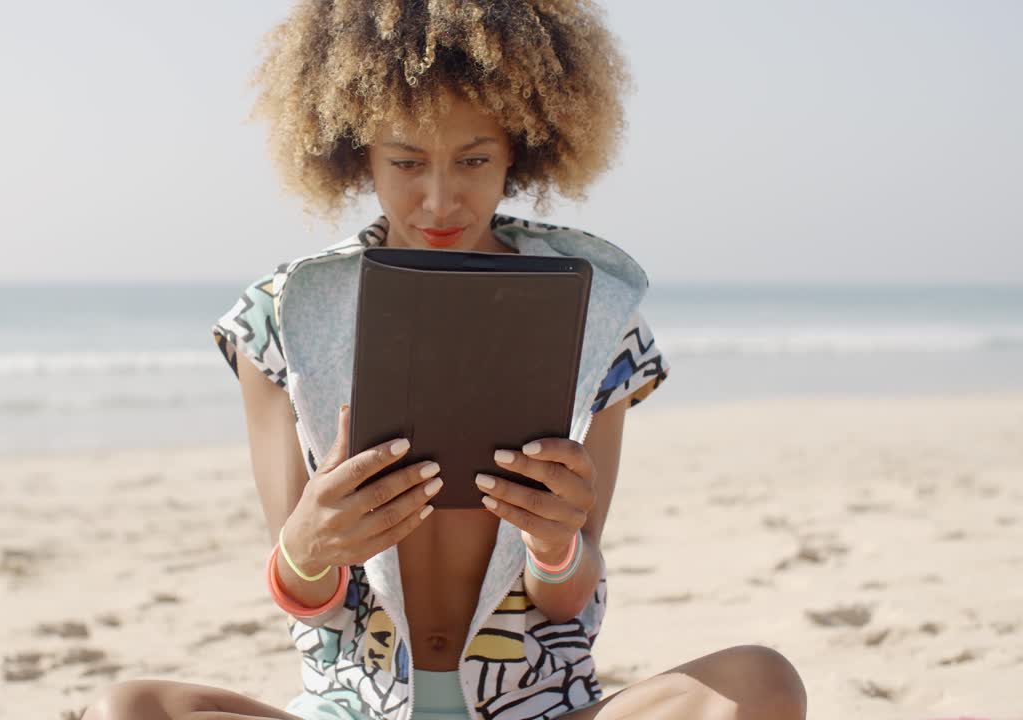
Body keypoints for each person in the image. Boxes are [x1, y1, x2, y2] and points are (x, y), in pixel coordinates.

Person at [82, 1, 807, 719]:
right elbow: (313, 601)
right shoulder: (277, 318)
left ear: (518, 149)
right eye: (405, 162)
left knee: (761, 682)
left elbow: (565, 600)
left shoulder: (598, 318)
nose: (438, 200)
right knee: (129, 709)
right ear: (357, 150)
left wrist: (555, 542)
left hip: (535, 710)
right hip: (358, 710)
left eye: (474, 160)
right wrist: (307, 542)